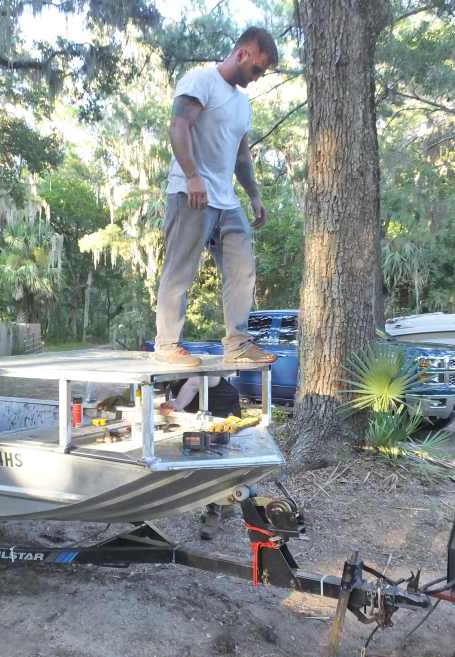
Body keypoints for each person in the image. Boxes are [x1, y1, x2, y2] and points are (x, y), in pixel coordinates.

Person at [153, 27, 280, 368]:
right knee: (181, 269)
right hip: (190, 192)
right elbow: (178, 127)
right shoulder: (201, 81)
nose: (257, 77)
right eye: (257, 69)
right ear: (243, 54)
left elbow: (241, 156)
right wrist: (193, 176)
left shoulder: (242, 104)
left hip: (226, 200)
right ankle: (166, 345)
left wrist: (254, 195)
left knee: (243, 269)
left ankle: (238, 343)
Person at [159, 375, 242, 540]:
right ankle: (225, 504)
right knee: (203, 461)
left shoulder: (200, 371)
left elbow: (195, 383)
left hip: (222, 415)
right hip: (203, 417)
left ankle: (214, 514)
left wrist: (177, 404)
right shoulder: (171, 375)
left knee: (213, 465)